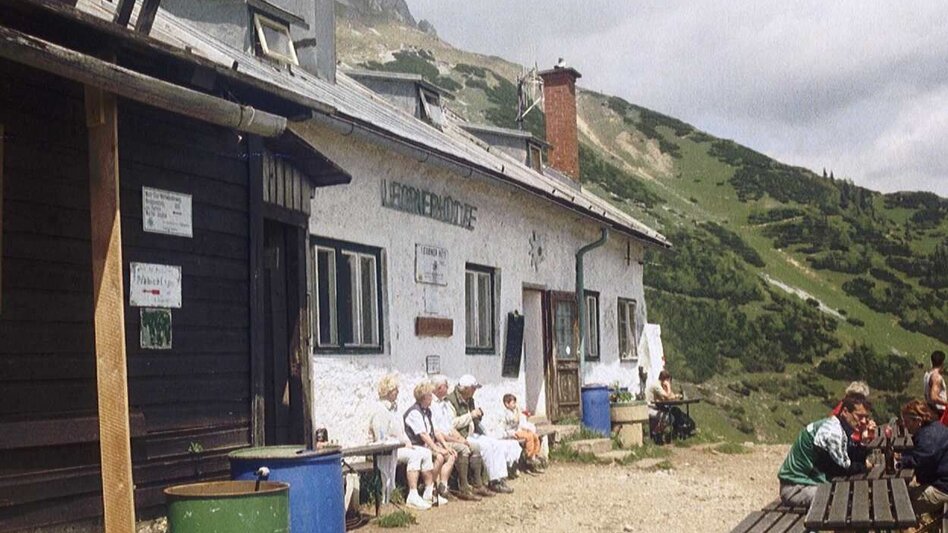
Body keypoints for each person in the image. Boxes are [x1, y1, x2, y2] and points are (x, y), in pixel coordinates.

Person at [777, 392, 872, 507]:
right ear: (846, 412)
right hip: (796, 488)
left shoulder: (837, 426)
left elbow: (848, 456)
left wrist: (863, 443)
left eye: (866, 417)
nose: (863, 421)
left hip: (808, 483)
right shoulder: (833, 433)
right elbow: (843, 468)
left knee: (851, 494)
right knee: (846, 501)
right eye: (859, 416)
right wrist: (865, 465)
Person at [367, 374, 436, 510]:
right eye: (394, 390)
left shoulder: (395, 408)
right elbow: (381, 436)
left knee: (426, 452)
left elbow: (401, 431)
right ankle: (413, 494)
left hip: (399, 446)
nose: (397, 392)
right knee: (414, 456)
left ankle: (429, 491)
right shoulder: (380, 410)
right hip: (385, 450)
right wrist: (401, 443)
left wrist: (407, 442)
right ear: (387, 391)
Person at [446, 374, 517, 494]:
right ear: (466, 388)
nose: (475, 391)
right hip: (460, 436)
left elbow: (473, 421)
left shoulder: (469, 399)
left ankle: (499, 478)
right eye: (473, 388)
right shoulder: (451, 401)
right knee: (486, 447)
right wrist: (471, 415)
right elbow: (451, 424)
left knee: (496, 444)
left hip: (472, 433)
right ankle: (492, 481)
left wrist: (478, 417)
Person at [430, 375, 488, 500]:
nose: (448, 388)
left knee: (474, 447)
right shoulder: (432, 404)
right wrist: (456, 440)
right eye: (446, 386)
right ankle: (463, 487)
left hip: (449, 436)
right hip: (439, 440)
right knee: (464, 449)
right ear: (439, 388)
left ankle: (477, 484)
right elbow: (438, 431)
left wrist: (460, 438)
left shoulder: (444, 402)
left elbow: (449, 426)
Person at [404, 381, 454, 506]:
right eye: (430, 395)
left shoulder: (428, 411)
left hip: (426, 445)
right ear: (423, 397)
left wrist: (445, 446)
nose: (432, 397)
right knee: (439, 457)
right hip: (416, 445)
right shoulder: (414, 412)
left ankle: (434, 488)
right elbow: (423, 435)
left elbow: (436, 431)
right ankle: (428, 489)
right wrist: (436, 449)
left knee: (450, 456)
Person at [899, 399, 948, 526]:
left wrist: (900, 462)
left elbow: (921, 460)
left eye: (907, 421)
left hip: (942, 488)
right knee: (902, 492)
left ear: (918, 421)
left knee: (900, 505)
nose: (905, 425)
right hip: (941, 482)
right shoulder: (935, 428)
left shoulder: (928, 436)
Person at [501, 393, 544, 472]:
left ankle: (535, 454)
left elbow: (520, 419)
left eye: (515, 403)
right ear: (507, 404)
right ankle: (529, 456)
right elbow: (511, 422)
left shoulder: (514, 410)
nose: (515, 405)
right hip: (512, 432)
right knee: (528, 437)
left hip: (518, 430)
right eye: (513, 403)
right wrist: (518, 411)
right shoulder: (506, 413)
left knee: (534, 436)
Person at [925, 350, 948, 418]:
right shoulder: (937, 377)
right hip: (940, 412)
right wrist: (946, 403)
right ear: (942, 363)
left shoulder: (927, 375)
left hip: (931, 409)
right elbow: (934, 397)